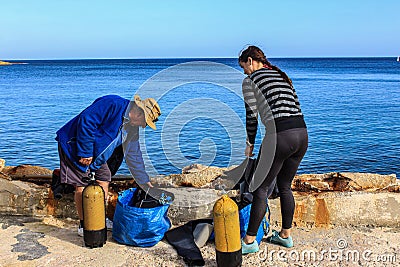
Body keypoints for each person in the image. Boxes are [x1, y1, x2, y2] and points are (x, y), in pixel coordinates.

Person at [55, 94, 161, 236]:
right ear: (138, 111)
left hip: (96, 154)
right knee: (81, 186)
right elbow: (86, 120)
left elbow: (134, 154)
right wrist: (85, 152)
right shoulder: (112, 103)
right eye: (145, 122)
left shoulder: (132, 127)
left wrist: (144, 180)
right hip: (74, 146)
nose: (144, 126)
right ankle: (84, 224)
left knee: (105, 178)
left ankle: (99, 218)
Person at [238, 46, 308, 253]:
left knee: (260, 188)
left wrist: (250, 143)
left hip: (279, 137)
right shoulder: (281, 76)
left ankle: (249, 242)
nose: (244, 72)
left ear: (250, 61)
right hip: (302, 134)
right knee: (285, 187)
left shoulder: (250, 81)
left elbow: (252, 117)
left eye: (244, 67)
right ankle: (285, 236)